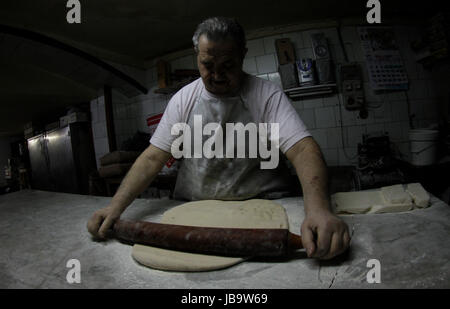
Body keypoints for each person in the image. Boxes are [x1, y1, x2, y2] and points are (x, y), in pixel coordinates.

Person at [87, 17, 350, 260]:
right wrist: (115, 207)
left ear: (242, 56)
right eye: (207, 65)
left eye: (227, 66)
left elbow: (303, 150)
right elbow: (153, 157)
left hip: (264, 212)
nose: (216, 75)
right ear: (197, 57)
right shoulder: (183, 99)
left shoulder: (266, 96)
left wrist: (318, 210)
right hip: (192, 212)